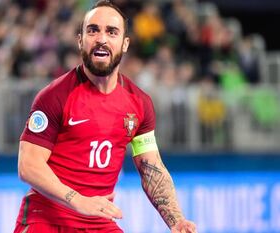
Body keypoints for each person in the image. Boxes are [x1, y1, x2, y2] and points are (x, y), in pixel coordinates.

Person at [14, 1, 197, 233]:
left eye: (111, 32)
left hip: (99, 222)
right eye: (93, 30)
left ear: (125, 43)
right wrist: (78, 200)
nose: (101, 38)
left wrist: (176, 220)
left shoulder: (139, 103)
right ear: (80, 40)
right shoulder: (54, 96)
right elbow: (28, 165)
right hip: (48, 220)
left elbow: (151, 166)